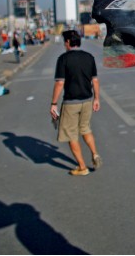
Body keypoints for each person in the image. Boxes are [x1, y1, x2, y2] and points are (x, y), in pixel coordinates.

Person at [50, 30, 102, 176]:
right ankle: (95, 154)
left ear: (67, 42)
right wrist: (97, 99)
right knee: (85, 129)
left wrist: (53, 103)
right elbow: (95, 80)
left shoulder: (63, 59)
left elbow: (60, 83)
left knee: (71, 134)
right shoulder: (89, 57)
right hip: (87, 100)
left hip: (71, 102)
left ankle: (82, 167)